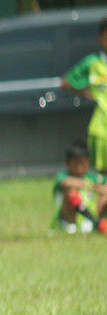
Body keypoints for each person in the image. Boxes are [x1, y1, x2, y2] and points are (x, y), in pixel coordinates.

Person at [61, 18, 107, 174]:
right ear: (100, 38)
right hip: (102, 128)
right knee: (103, 171)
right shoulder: (93, 63)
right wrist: (85, 93)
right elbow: (66, 82)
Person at [52, 141, 107, 234]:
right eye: (75, 163)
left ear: (88, 162)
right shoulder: (63, 176)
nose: (79, 167)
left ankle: (100, 223)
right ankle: (95, 222)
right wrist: (93, 186)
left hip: (92, 217)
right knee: (71, 191)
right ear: (67, 163)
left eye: (82, 163)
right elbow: (66, 182)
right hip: (69, 222)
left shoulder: (93, 177)